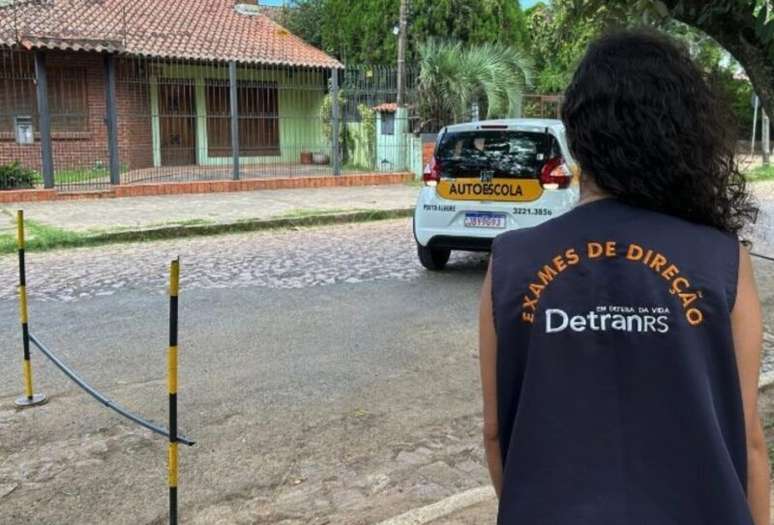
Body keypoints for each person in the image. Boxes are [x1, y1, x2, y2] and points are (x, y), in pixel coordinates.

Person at [479, 29, 770, 525]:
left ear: (577, 137)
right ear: (683, 136)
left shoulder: (511, 261)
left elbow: (495, 434)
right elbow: (748, 441)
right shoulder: (723, 260)